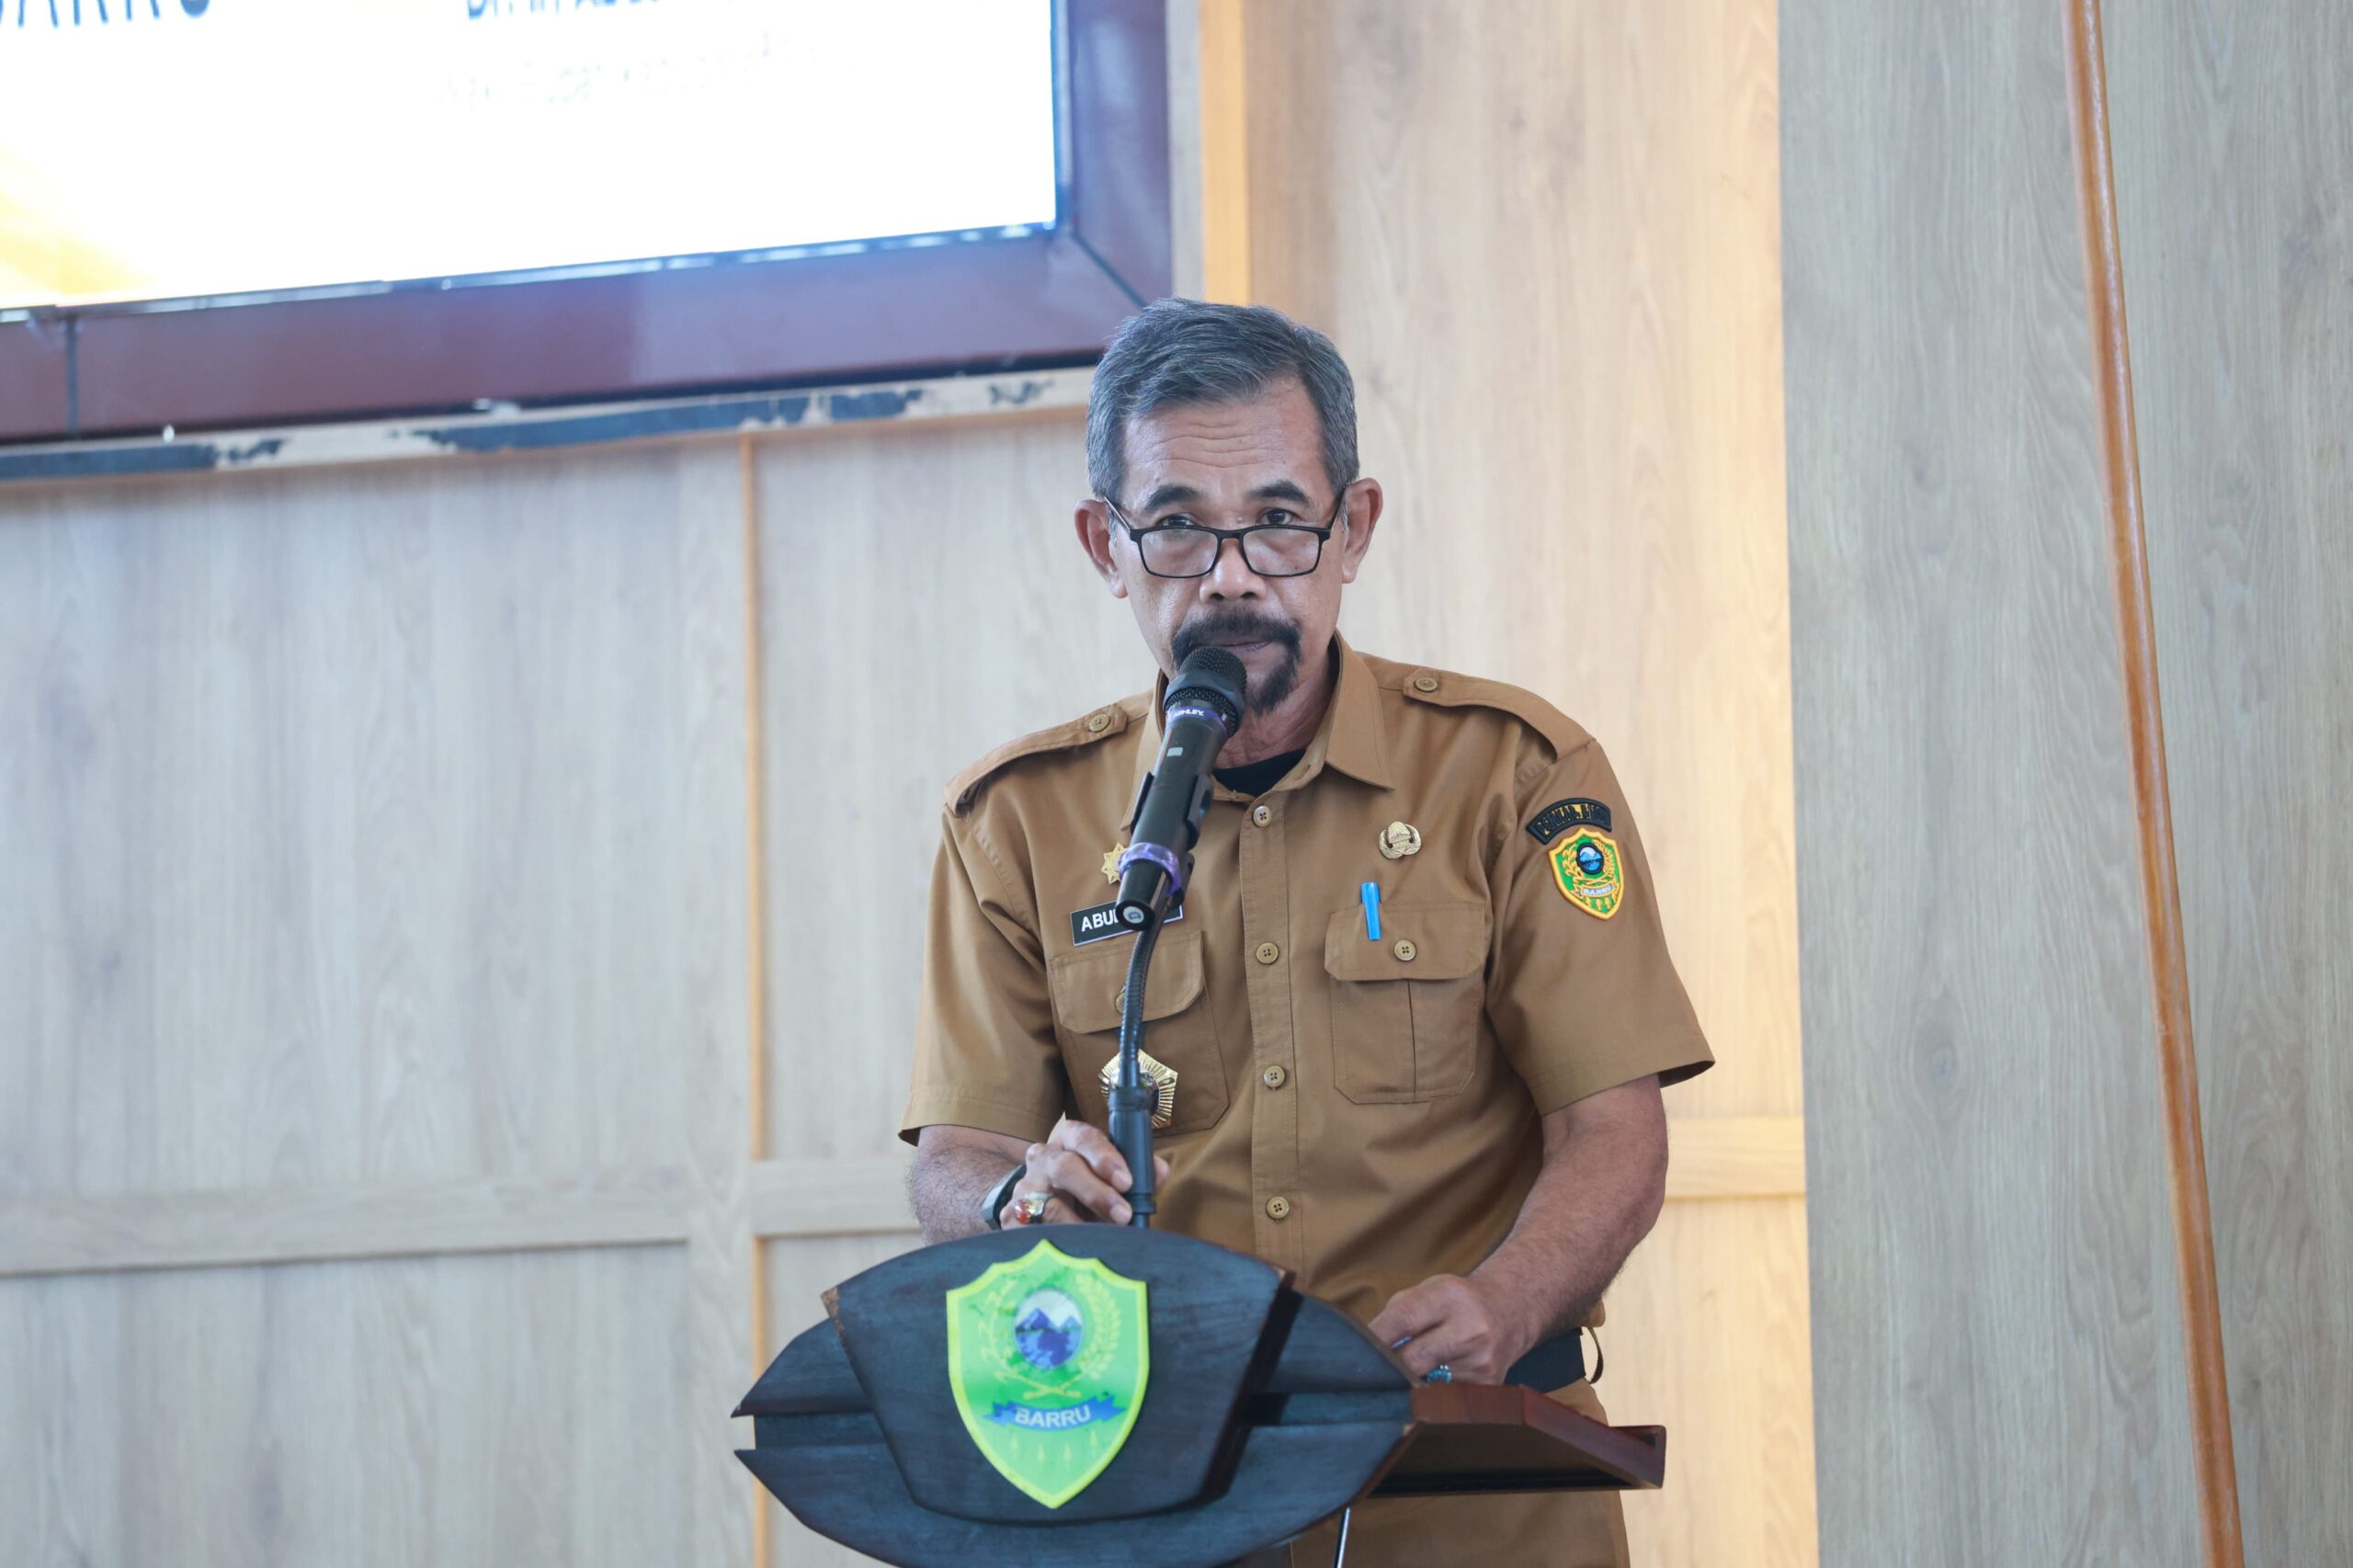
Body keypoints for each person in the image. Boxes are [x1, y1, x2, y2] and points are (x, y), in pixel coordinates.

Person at [904, 299, 1711, 1567]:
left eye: (1280, 521)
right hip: (1160, 1497)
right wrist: (1013, 1197)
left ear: (1355, 530)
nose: (1232, 576)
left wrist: (1504, 1305)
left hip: (1477, 1493)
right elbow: (959, 1154)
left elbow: (1612, 1131)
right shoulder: (1015, 822)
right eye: (1177, 526)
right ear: (1106, 545)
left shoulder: (1514, 777)